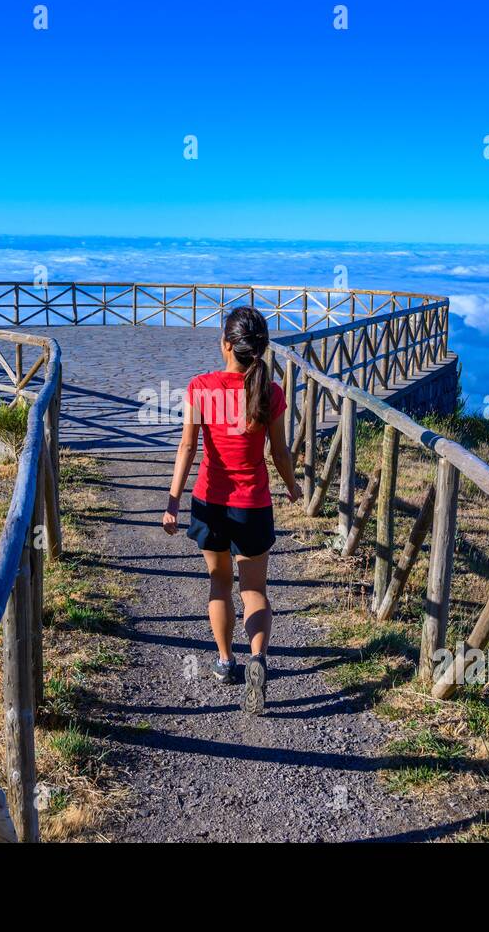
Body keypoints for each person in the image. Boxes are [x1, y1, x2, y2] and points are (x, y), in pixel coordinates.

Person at [162, 306, 302, 715]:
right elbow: (279, 451)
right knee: (255, 590)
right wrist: (292, 486)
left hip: (210, 502)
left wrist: (173, 501)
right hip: (253, 505)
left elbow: (188, 447)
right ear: (259, 349)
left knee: (219, 583)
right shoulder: (270, 391)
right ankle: (257, 659)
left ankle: (226, 662)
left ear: (226, 344)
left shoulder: (201, 387)